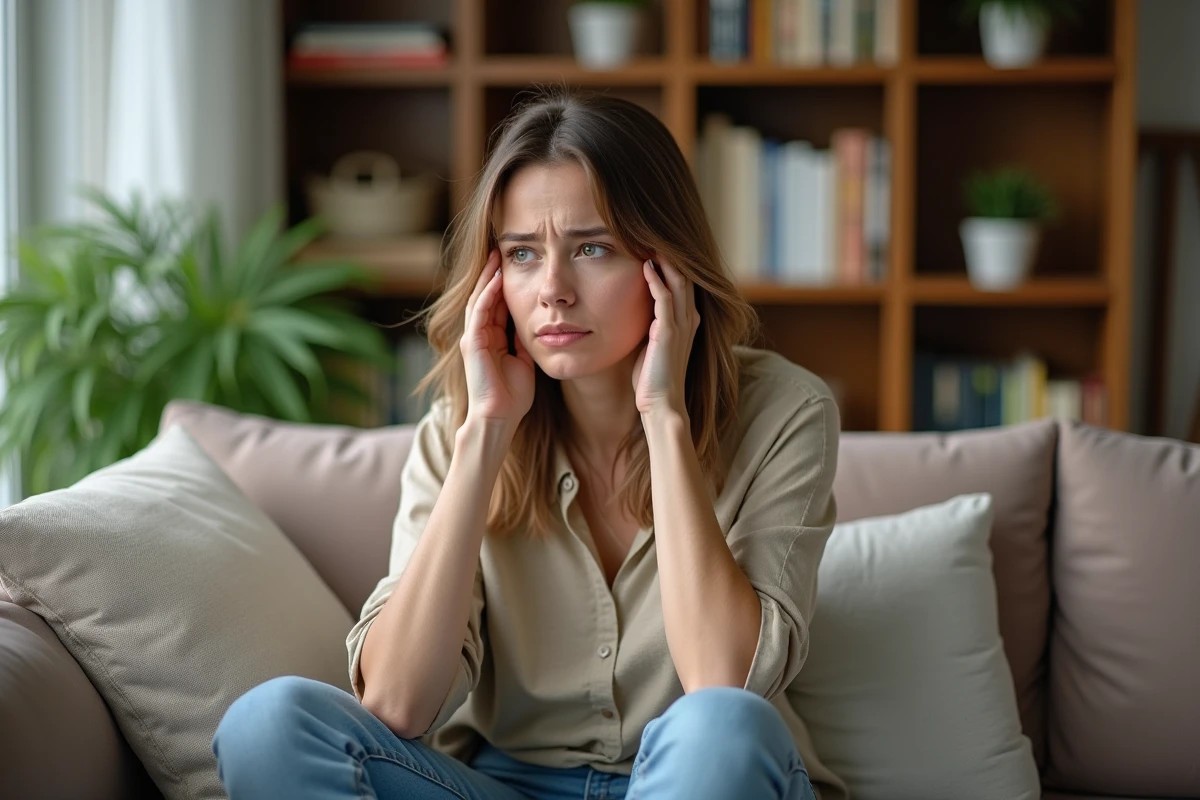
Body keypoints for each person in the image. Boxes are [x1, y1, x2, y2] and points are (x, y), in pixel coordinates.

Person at [212, 87, 845, 800]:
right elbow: (395, 703)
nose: (552, 290)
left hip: (694, 777)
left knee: (721, 729)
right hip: (501, 786)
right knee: (269, 723)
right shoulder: (464, 425)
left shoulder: (784, 411)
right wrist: (485, 431)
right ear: (493, 278)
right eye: (521, 254)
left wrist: (664, 416)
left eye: (593, 248)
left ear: (667, 264)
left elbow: (723, 684)